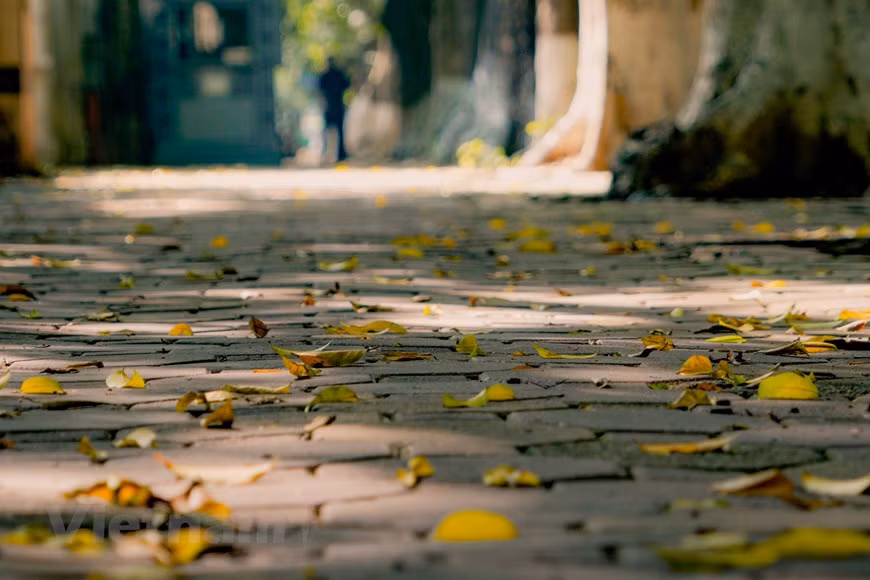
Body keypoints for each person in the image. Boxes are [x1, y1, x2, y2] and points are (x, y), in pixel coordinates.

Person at [317, 57, 351, 163]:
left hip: (331, 106)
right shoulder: (338, 74)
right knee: (336, 132)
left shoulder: (326, 76)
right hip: (336, 106)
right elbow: (347, 85)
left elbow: (320, 92)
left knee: (329, 131)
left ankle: (327, 153)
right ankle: (339, 154)